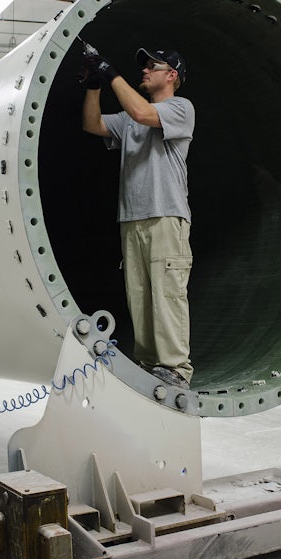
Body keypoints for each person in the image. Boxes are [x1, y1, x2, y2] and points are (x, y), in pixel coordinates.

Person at [81, 45, 196, 389]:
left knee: (166, 293)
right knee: (140, 294)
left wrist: (110, 71)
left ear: (171, 75)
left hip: (165, 216)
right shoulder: (130, 119)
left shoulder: (179, 108)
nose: (144, 70)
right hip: (132, 219)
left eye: (152, 66)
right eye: (143, 65)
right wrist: (94, 84)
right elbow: (92, 124)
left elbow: (144, 113)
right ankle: (150, 365)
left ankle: (176, 368)